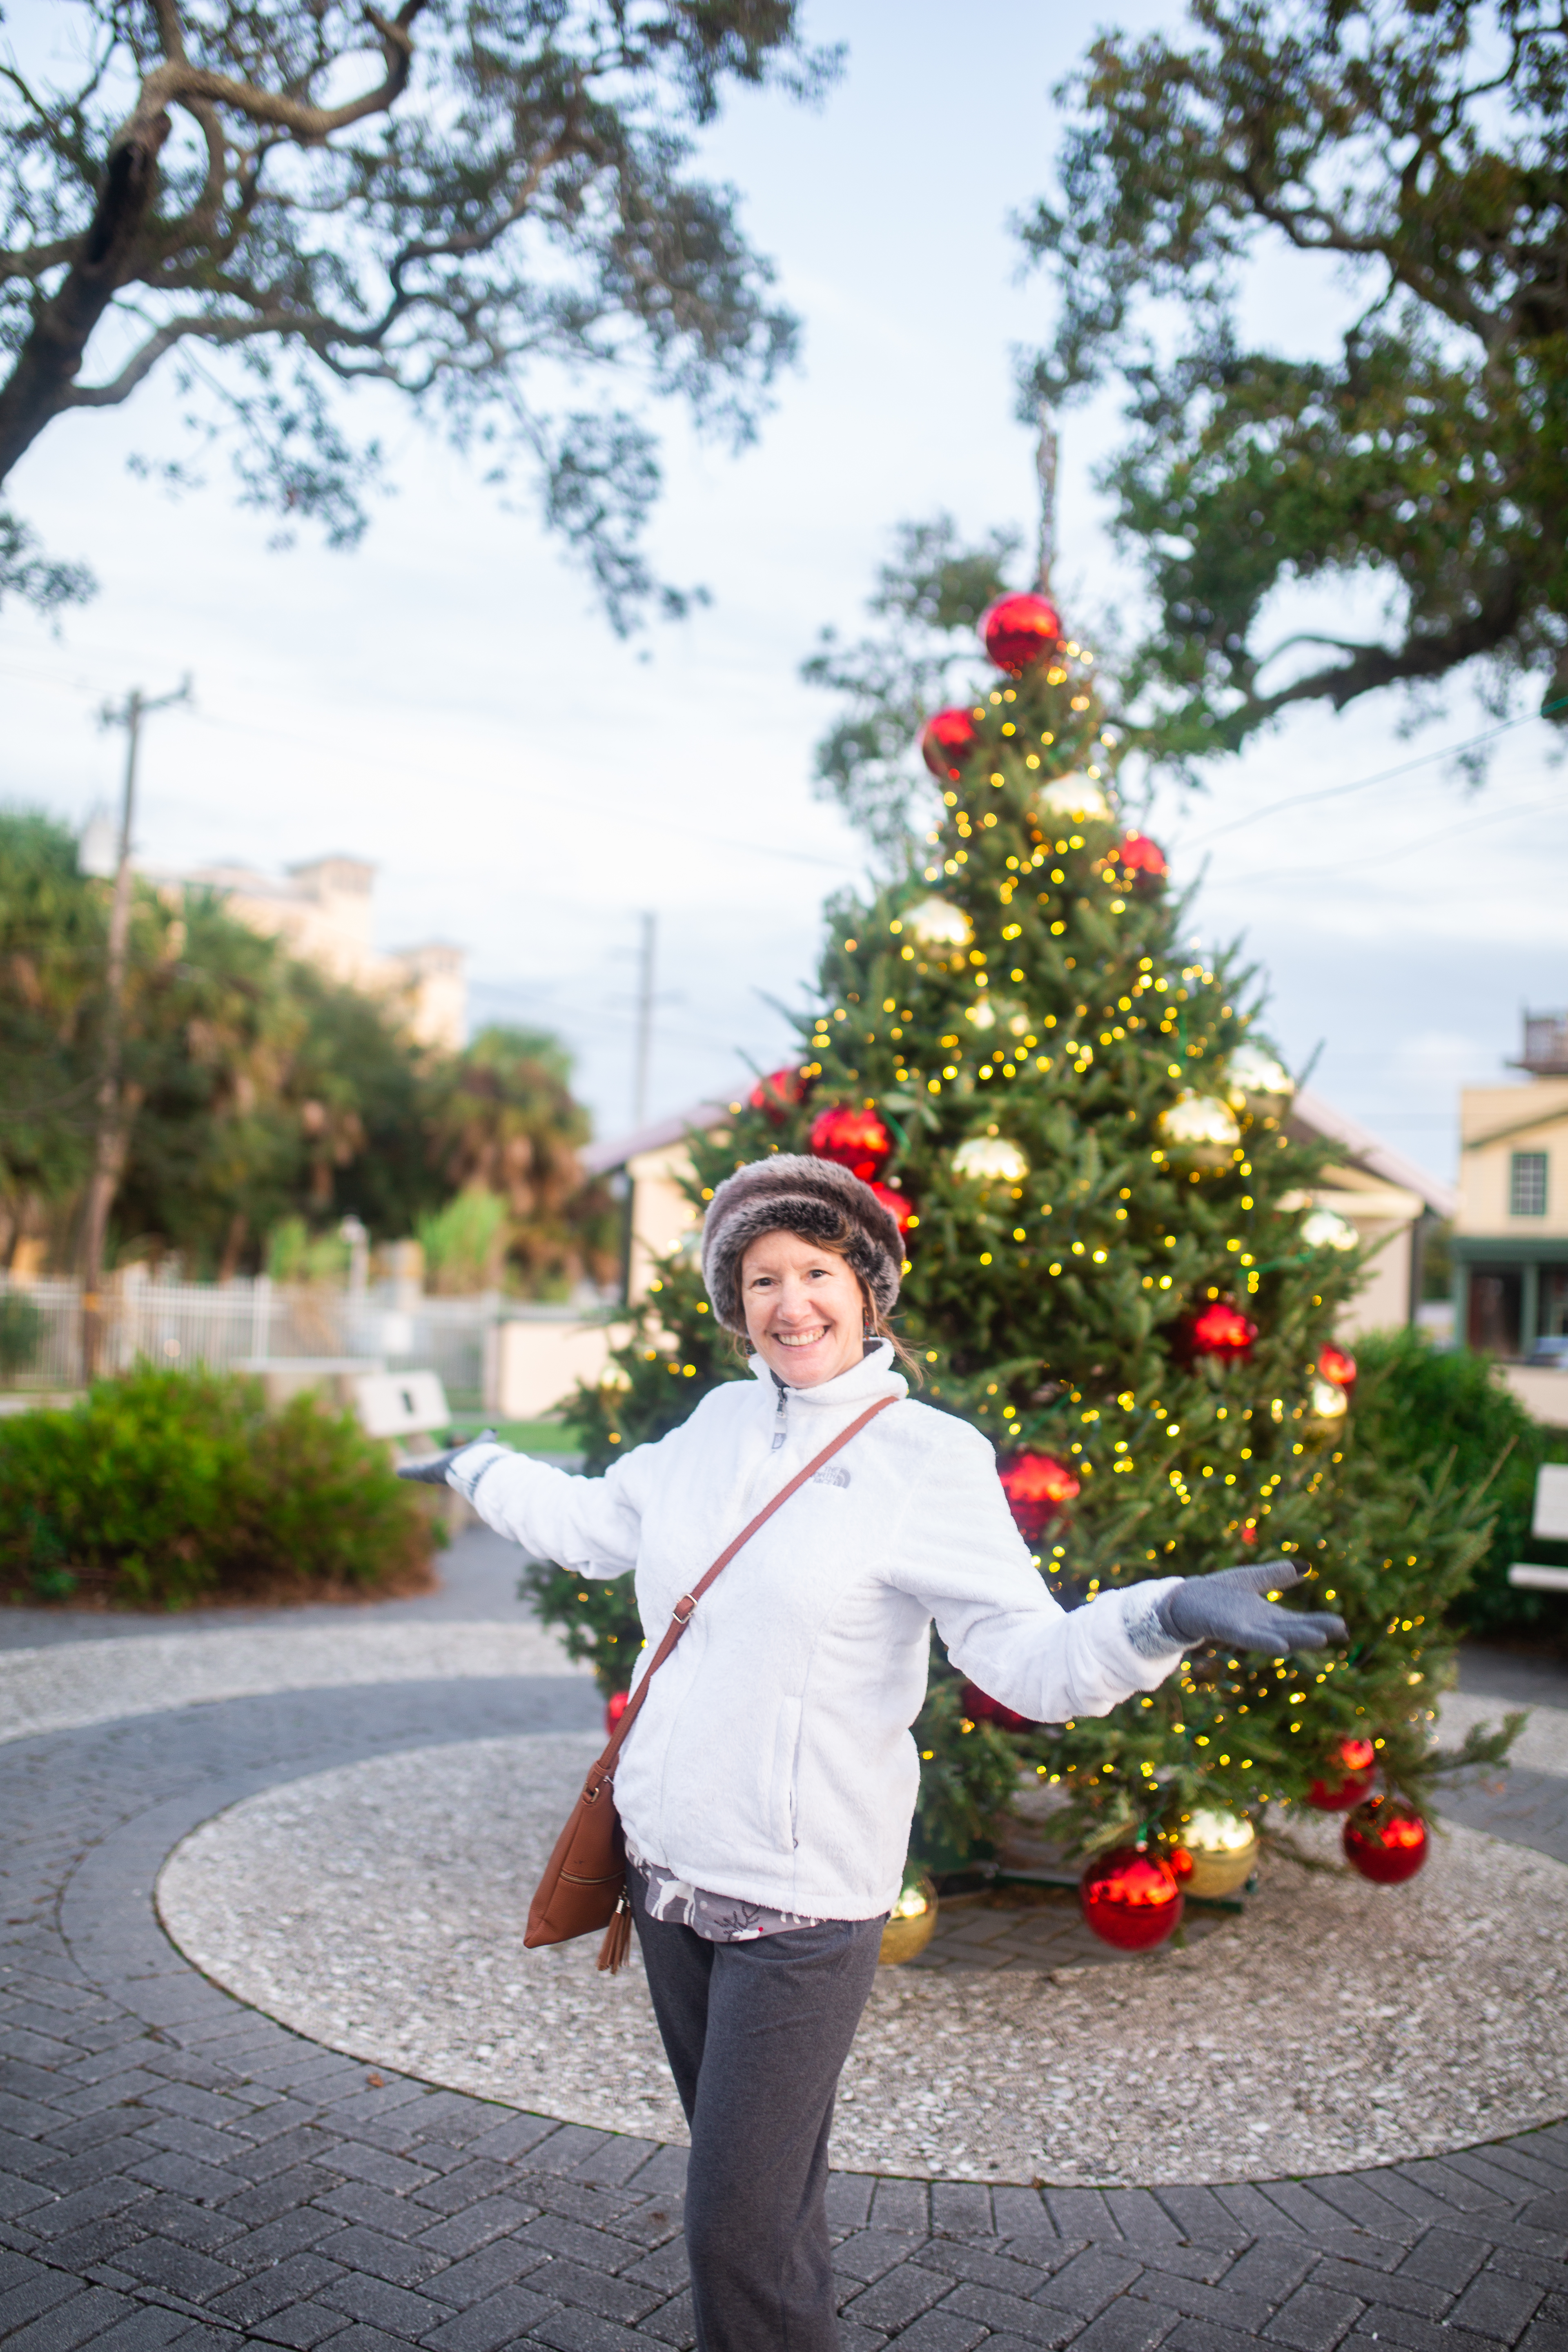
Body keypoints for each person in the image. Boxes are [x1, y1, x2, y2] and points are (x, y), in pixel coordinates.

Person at [401, 1154, 1344, 2352]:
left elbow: (1026, 1659)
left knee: (732, 2228)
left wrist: (1158, 1615)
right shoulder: (713, 1427)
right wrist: (479, 1465)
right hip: (671, 1874)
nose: (790, 1303)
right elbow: (590, 1524)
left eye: (815, 1271)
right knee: (765, 2205)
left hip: (800, 1905)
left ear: (869, 1286)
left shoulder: (928, 1458)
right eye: (759, 1278)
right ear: (732, 1301)